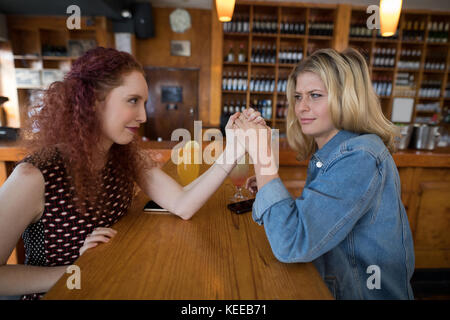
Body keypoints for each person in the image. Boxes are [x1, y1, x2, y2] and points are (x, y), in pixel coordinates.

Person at [0, 47, 263, 299]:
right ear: (91, 102)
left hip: (113, 283)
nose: (143, 116)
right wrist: (74, 271)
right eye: (133, 101)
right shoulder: (33, 177)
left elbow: (183, 204)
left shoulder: (124, 155)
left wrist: (234, 148)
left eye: (144, 102)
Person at [236, 48, 415, 299]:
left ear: (345, 99)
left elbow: (292, 243)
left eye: (315, 95)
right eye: (298, 97)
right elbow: (317, 223)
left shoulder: (359, 156)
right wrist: (269, 187)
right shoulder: (334, 151)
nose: (302, 107)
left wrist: (261, 155)